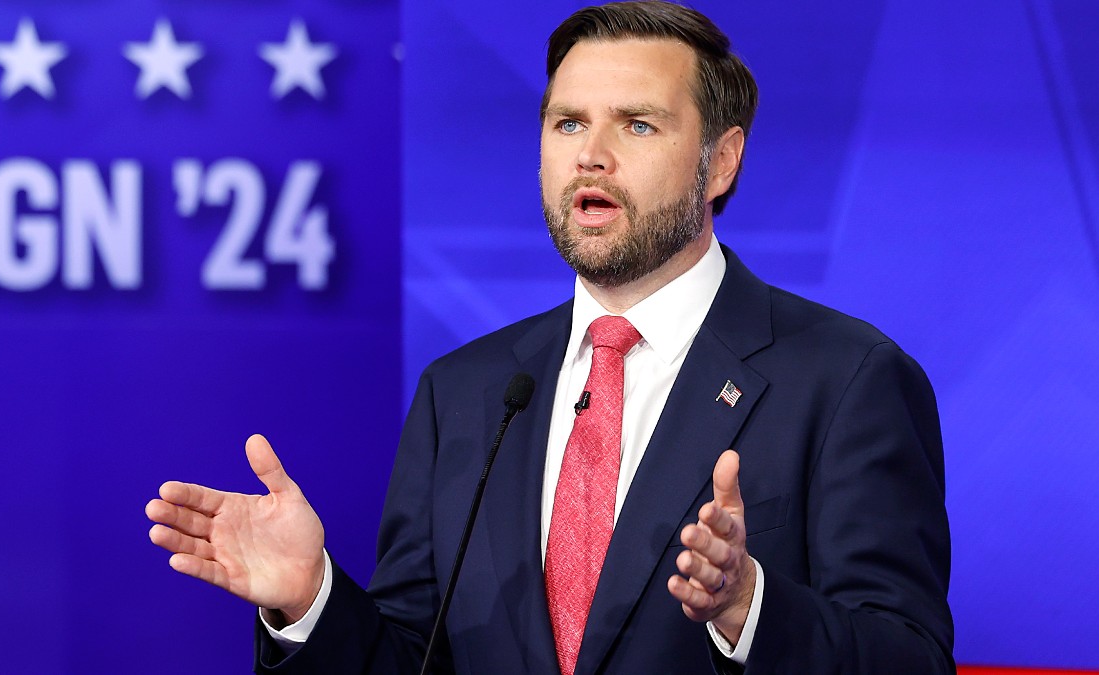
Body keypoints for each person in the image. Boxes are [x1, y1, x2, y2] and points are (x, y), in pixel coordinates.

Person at [146, 2, 954, 673]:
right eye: (568, 123)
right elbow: (411, 658)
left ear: (721, 163)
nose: (591, 156)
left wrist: (750, 606)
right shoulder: (464, 392)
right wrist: (312, 599)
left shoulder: (847, 380)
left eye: (637, 125)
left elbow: (909, 657)